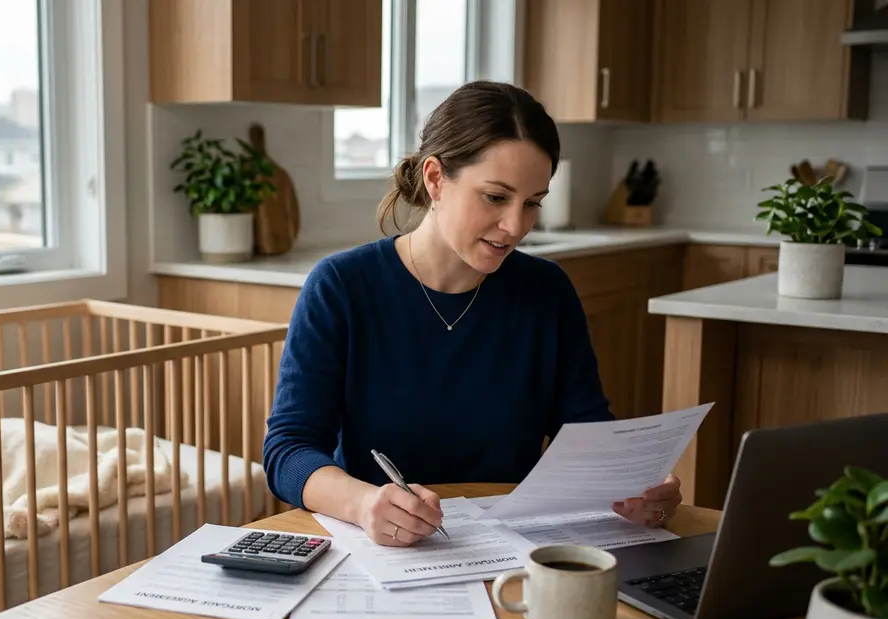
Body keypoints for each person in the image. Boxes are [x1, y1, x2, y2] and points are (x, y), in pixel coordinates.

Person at [262, 81, 682, 546]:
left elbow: (585, 432)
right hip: (385, 552)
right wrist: (362, 503)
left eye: (533, 203)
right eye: (496, 197)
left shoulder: (546, 290)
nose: (516, 226)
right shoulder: (341, 287)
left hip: (514, 549)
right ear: (436, 178)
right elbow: (289, 451)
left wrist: (635, 484)